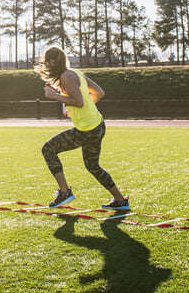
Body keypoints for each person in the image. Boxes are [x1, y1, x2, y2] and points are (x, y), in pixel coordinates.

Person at [34, 46, 130, 211]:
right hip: (97, 125)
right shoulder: (75, 73)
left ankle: (64, 192)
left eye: (46, 62)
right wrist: (82, 111)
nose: (46, 66)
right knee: (93, 166)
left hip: (86, 130)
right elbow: (99, 92)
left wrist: (54, 96)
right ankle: (120, 200)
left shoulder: (66, 77)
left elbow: (79, 102)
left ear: (51, 62)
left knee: (48, 149)